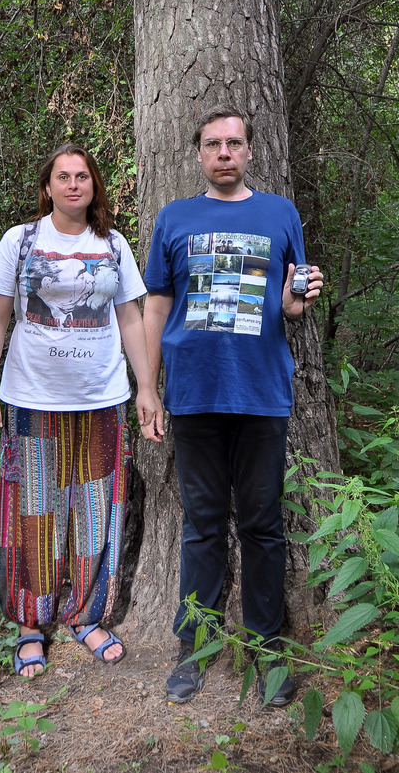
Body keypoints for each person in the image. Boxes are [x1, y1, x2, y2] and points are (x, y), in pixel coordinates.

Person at [142, 104, 324, 705]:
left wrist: (299, 305)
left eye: (234, 143)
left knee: (263, 526)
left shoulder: (279, 213)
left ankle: (268, 649)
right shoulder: (174, 217)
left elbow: (292, 300)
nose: (224, 152)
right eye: (213, 143)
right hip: (194, 394)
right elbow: (157, 308)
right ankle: (194, 646)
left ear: (249, 152)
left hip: (262, 393)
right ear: (198, 153)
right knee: (201, 527)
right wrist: (148, 387)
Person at [0, 143, 156, 678]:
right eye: (63, 176)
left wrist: (146, 388)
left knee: (96, 513)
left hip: (101, 400)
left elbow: (130, 321)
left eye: (82, 176)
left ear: (94, 186)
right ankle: (32, 623)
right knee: (34, 509)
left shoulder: (114, 245)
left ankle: (86, 615)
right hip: (32, 399)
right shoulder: (21, 241)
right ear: (48, 186)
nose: (74, 184)